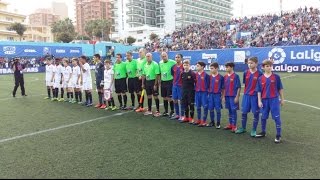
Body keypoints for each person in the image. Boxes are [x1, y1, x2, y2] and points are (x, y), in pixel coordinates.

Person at [256, 60, 284, 143]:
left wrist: (282, 99)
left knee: (276, 118)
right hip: (264, 101)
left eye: (270, 66)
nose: (269, 67)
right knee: (263, 117)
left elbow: (280, 88)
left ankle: (278, 135)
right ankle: (263, 132)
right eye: (267, 66)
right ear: (263, 67)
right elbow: (259, 91)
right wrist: (259, 101)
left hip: (274, 100)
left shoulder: (276, 77)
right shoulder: (260, 78)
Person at [236, 57, 263, 136]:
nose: (249, 64)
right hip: (246, 96)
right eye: (248, 63)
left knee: (256, 113)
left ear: (256, 64)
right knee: (244, 112)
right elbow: (245, 83)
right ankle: (243, 128)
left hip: (255, 96)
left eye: (251, 63)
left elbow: (261, 87)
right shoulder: (245, 72)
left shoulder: (260, 73)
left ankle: (254, 130)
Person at [223, 62, 241, 133]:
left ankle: (234, 126)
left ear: (231, 67)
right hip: (227, 96)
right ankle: (230, 124)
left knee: (233, 111)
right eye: (226, 67)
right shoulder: (225, 77)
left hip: (233, 96)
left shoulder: (236, 76)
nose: (226, 68)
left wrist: (237, 97)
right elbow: (223, 88)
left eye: (227, 67)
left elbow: (239, 87)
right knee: (229, 111)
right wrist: (223, 96)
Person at [159, 52, 176, 117]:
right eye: (162, 56)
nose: (164, 57)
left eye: (165, 56)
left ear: (167, 56)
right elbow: (160, 72)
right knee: (164, 97)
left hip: (170, 81)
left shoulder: (172, 62)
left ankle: (172, 111)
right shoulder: (160, 63)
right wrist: (159, 81)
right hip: (163, 81)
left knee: (169, 97)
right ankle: (166, 111)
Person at [207, 62, 224, 129]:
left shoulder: (221, 77)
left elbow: (223, 88)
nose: (211, 70)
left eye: (212, 68)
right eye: (210, 68)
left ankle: (218, 123)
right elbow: (207, 86)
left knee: (218, 110)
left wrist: (222, 96)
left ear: (217, 68)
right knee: (211, 109)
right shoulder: (209, 77)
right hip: (210, 95)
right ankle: (212, 122)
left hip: (217, 95)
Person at [194, 61, 210, 127]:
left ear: (202, 67)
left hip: (204, 93)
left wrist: (208, 93)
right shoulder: (195, 74)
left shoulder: (206, 75)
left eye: (198, 66)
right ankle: (199, 120)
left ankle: (204, 121)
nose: (196, 67)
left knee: (205, 107)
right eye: (196, 65)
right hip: (197, 93)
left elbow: (209, 85)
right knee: (198, 107)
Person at [171, 54, 184, 120]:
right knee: (175, 100)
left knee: (181, 100)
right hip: (174, 85)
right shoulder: (173, 67)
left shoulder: (184, 66)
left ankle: (182, 115)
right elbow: (173, 74)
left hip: (181, 86)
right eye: (176, 57)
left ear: (181, 58)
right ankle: (177, 114)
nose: (177, 58)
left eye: (178, 57)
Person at [135, 48, 147, 112]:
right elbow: (137, 69)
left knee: (142, 92)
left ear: (144, 52)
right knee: (138, 92)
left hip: (143, 78)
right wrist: (137, 74)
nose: (139, 53)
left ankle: (141, 106)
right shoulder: (137, 60)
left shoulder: (146, 59)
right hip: (137, 78)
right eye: (139, 52)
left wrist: (142, 76)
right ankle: (140, 105)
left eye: (141, 52)